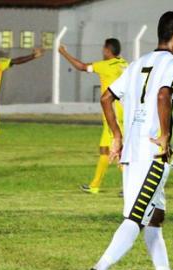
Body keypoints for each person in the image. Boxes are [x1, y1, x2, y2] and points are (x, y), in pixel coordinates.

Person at [85, 11, 173, 270]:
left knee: (155, 215)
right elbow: (163, 95)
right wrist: (165, 135)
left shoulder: (137, 63)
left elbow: (106, 98)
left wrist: (117, 137)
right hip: (153, 154)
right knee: (136, 217)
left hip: (133, 152)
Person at [59, 39, 128, 194]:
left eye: (103, 49)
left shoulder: (105, 66)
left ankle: (128, 187)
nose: (102, 51)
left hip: (113, 114)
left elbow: (81, 67)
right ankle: (95, 186)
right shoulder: (124, 63)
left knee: (117, 150)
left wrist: (63, 53)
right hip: (120, 112)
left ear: (107, 50)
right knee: (104, 149)